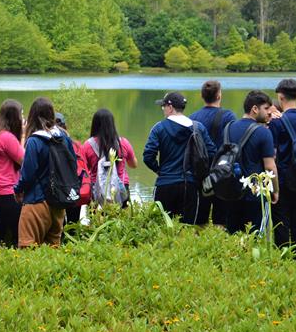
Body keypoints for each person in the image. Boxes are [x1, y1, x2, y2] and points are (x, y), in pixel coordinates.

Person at [142, 92, 215, 224]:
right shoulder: (198, 128)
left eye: (163, 106)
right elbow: (212, 153)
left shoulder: (159, 128)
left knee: (161, 227)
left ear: (170, 107)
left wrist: (159, 170)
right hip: (190, 185)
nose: (163, 109)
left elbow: (148, 156)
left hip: (165, 184)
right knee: (186, 228)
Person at [14, 97, 75, 247]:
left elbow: (28, 174)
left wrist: (17, 190)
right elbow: (73, 166)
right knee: (53, 249)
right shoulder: (64, 139)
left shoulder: (34, 141)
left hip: (36, 202)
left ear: (32, 116)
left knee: (27, 248)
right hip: (58, 203)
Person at [224, 90, 279, 234]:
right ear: (255, 109)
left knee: (233, 237)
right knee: (256, 237)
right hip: (256, 196)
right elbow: (270, 167)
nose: (269, 113)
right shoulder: (263, 133)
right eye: (266, 108)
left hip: (231, 192)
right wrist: (275, 191)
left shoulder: (228, 128)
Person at [267, 79, 296, 251]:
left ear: (280, 96)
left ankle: (283, 254)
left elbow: (273, 153)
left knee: (281, 218)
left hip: (283, 176)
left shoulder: (277, 122)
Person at [188, 80, 237, 226]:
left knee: (199, 218)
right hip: (221, 173)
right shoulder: (228, 116)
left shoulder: (192, 118)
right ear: (219, 95)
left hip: (199, 172)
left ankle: (198, 245)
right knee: (221, 218)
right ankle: (219, 245)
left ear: (202, 96)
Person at [0, 99, 25, 247]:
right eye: (21, 115)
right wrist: (23, 136)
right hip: (9, 194)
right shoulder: (7, 137)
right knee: (16, 236)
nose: (23, 119)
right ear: (14, 117)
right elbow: (24, 160)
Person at [80, 108, 137, 207]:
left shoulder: (87, 145)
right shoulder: (123, 143)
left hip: (97, 191)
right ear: (112, 124)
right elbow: (134, 165)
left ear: (95, 124)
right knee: (122, 220)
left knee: (98, 221)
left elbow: (84, 169)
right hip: (121, 189)